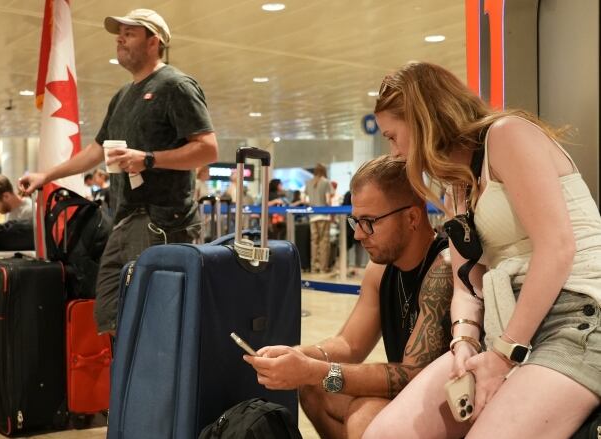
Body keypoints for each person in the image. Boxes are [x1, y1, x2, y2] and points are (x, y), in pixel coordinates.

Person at [363, 62, 601, 439]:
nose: (393, 152)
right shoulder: (458, 184)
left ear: (423, 120)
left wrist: (503, 355)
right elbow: (466, 284)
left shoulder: (507, 136)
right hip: (505, 323)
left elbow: (557, 248)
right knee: (386, 433)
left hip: (577, 320)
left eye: (393, 136)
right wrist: (464, 342)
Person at [19, 8, 218, 334]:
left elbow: (208, 149)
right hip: (125, 217)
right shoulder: (123, 96)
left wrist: (149, 159)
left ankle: (151, 380)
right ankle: (124, 377)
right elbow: (95, 151)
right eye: (119, 32)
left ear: (154, 42)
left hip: (162, 220)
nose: (120, 38)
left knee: (150, 318)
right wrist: (46, 176)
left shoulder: (176, 86)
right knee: (110, 312)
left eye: (130, 33)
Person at [244, 155, 453, 439]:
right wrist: (297, 356)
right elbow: (349, 344)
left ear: (412, 217)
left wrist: (313, 370)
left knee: (364, 412)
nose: (358, 235)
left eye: (369, 222)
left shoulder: (444, 267)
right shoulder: (380, 270)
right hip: (409, 396)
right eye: (356, 221)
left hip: (447, 406)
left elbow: (412, 374)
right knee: (314, 388)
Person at [305, 163, 333, 273]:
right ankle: (323, 267)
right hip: (324, 215)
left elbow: (305, 199)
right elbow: (327, 200)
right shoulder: (326, 182)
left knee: (314, 242)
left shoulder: (309, 182)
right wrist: (331, 213)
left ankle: (314, 266)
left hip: (312, 216)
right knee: (324, 242)